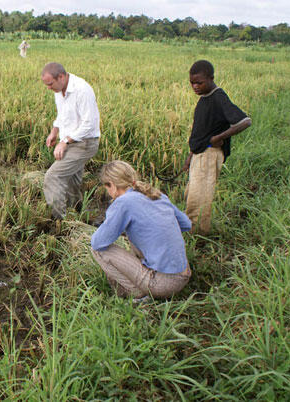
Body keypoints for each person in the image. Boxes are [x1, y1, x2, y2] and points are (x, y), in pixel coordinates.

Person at [90, 161, 192, 300]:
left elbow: (98, 242)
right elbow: (186, 224)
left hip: (163, 284)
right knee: (137, 231)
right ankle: (149, 277)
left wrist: (115, 224)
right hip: (183, 275)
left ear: (112, 185)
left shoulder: (123, 202)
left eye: (107, 187)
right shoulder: (157, 195)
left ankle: (137, 293)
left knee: (98, 251)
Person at [184, 60, 252, 234]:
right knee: (191, 196)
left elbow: (244, 121)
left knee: (200, 199)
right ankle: (192, 233)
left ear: (211, 78)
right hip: (199, 153)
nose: (195, 86)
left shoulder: (218, 97)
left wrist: (219, 137)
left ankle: (197, 237)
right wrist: (190, 155)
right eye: (192, 82)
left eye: (199, 82)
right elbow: (201, 130)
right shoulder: (204, 99)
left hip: (209, 154)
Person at [41, 62, 100, 219]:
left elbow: (90, 124)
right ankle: (79, 214)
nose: (48, 88)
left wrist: (65, 141)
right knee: (72, 181)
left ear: (61, 77)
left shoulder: (82, 90)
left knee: (53, 176)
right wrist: (54, 131)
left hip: (85, 143)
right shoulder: (59, 90)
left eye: (50, 84)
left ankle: (58, 221)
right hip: (72, 141)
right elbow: (62, 115)